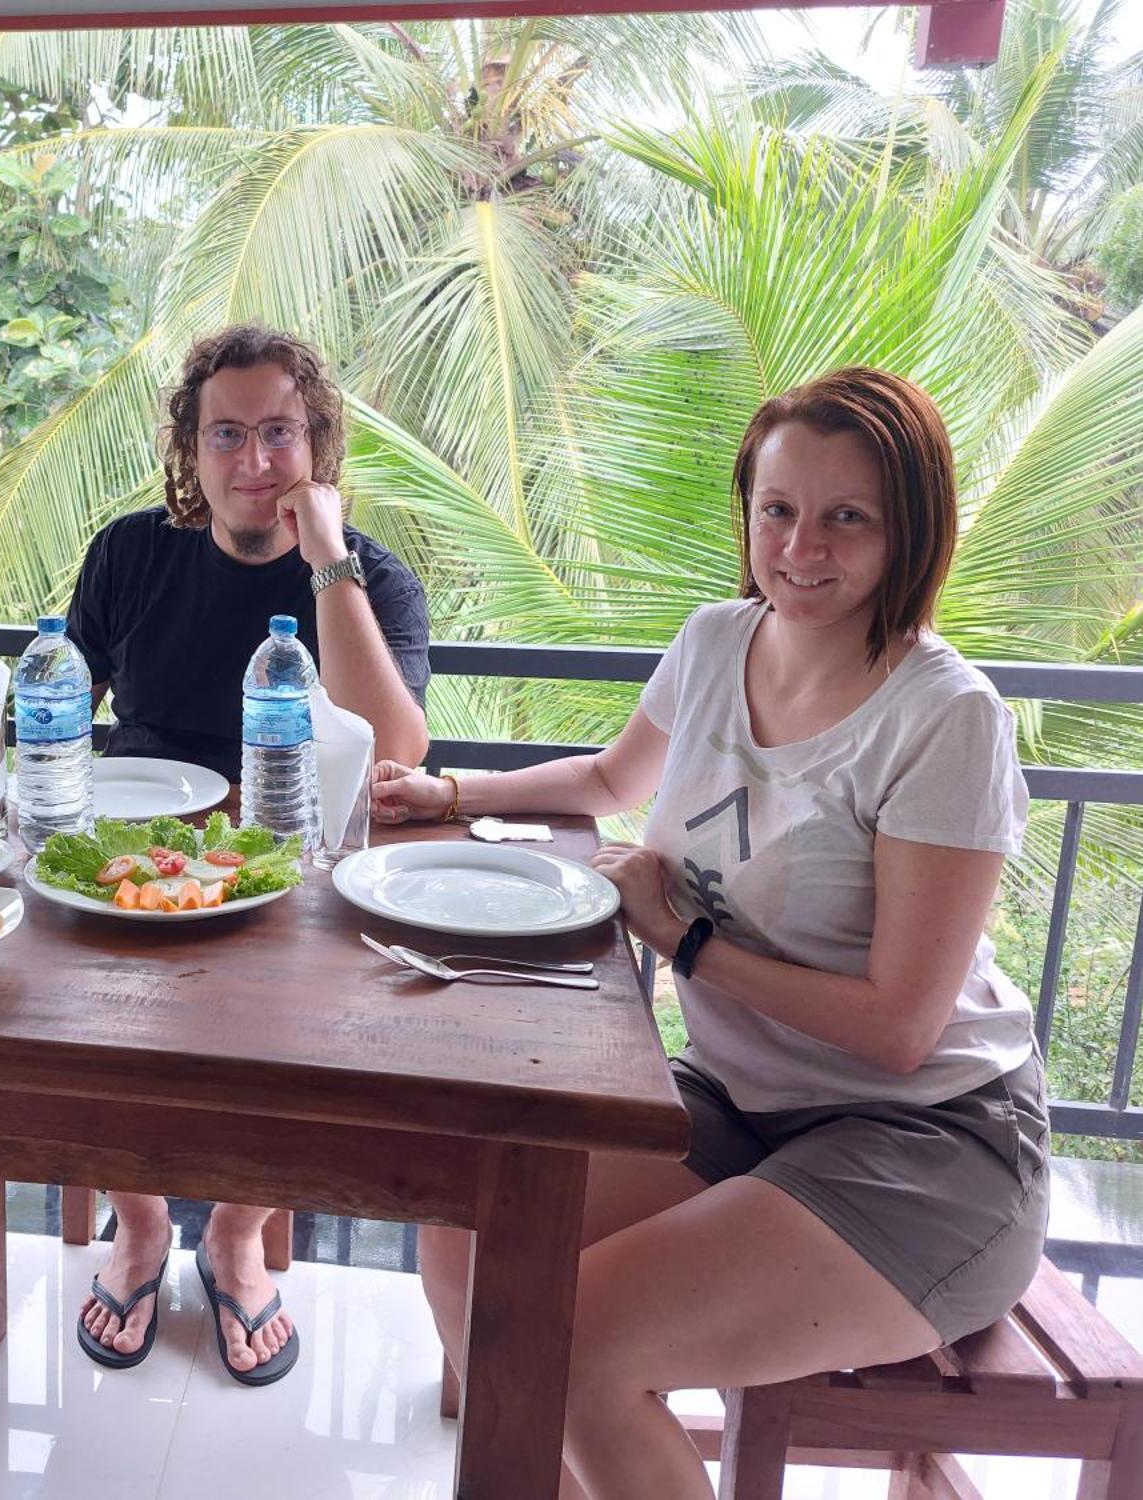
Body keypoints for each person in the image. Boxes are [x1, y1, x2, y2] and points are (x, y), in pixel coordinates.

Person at [372, 367, 1047, 1499]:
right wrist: (444, 794)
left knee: (585, 1348)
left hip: (930, 1145)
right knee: (465, 1226)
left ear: (908, 532)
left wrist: (684, 944)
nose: (800, 547)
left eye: (847, 517)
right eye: (777, 509)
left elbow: (895, 1028)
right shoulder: (713, 641)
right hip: (744, 1103)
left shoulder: (944, 719)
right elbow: (605, 777)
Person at [66, 323, 432, 1385]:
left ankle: (233, 1233)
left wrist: (328, 562)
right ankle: (138, 1227)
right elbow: (56, 707)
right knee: (62, 1010)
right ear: (191, 447)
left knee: (328, 1030)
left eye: (280, 433)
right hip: (133, 863)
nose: (254, 464)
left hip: (286, 873)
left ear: (317, 443)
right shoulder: (131, 552)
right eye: (226, 434)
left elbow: (395, 748)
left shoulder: (369, 582)